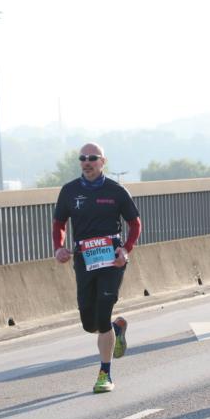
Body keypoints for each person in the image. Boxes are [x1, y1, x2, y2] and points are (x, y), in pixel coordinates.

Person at [53, 143, 141, 393]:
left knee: (102, 313)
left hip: (112, 259)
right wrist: (59, 247)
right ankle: (116, 329)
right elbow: (59, 222)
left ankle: (105, 374)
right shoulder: (69, 191)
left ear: (103, 161)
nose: (87, 162)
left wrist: (126, 249)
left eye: (92, 158)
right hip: (84, 259)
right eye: (83, 158)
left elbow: (135, 224)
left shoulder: (116, 190)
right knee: (88, 322)